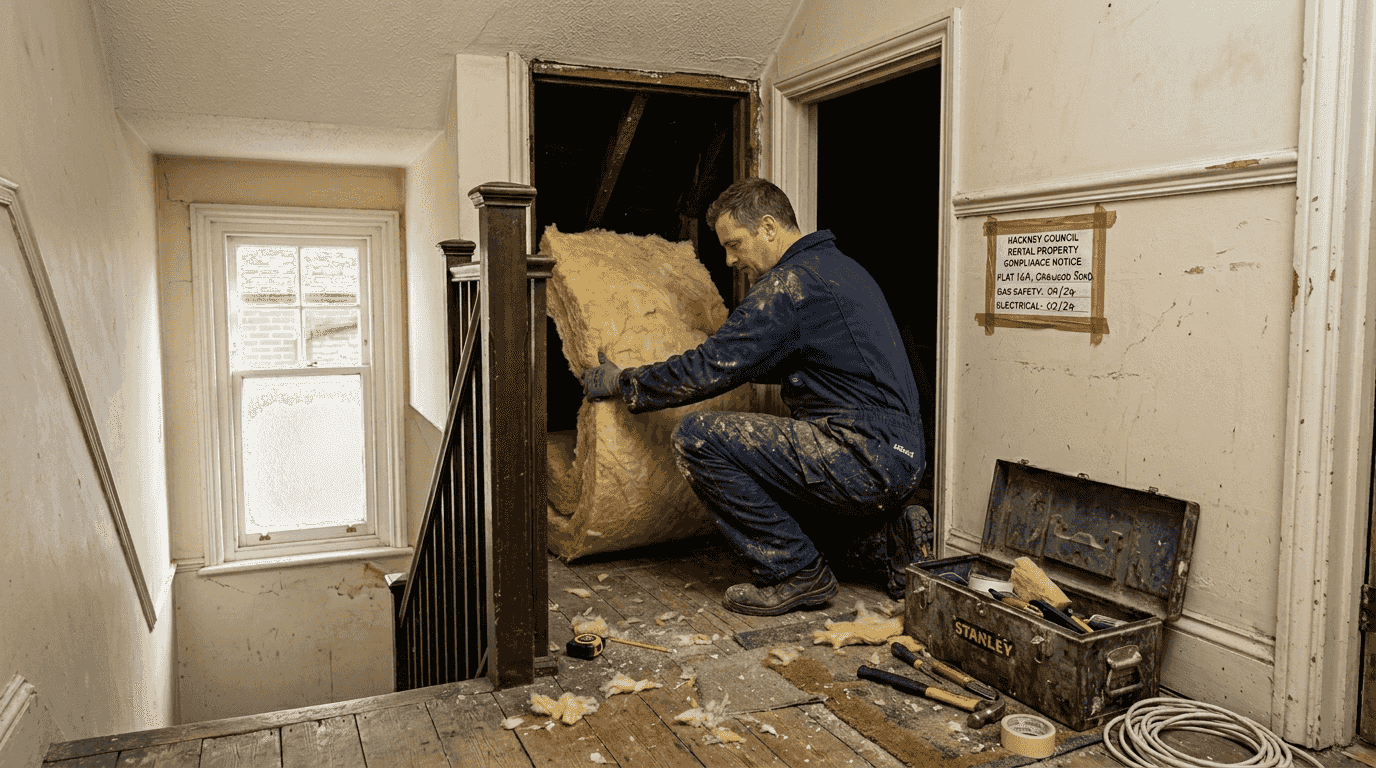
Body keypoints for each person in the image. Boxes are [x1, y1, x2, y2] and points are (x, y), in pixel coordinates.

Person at [581, 177, 927, 616]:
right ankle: (890, 542)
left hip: (861, 454)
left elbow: (714, 366)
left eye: (735, 243)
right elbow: (771, 361)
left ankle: (797, 575)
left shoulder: (792, 284)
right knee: (784, 495)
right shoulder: (839, 269)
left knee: (700, 438)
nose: (730, 259)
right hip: (898, 456)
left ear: (767, 227)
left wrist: (624, 382)